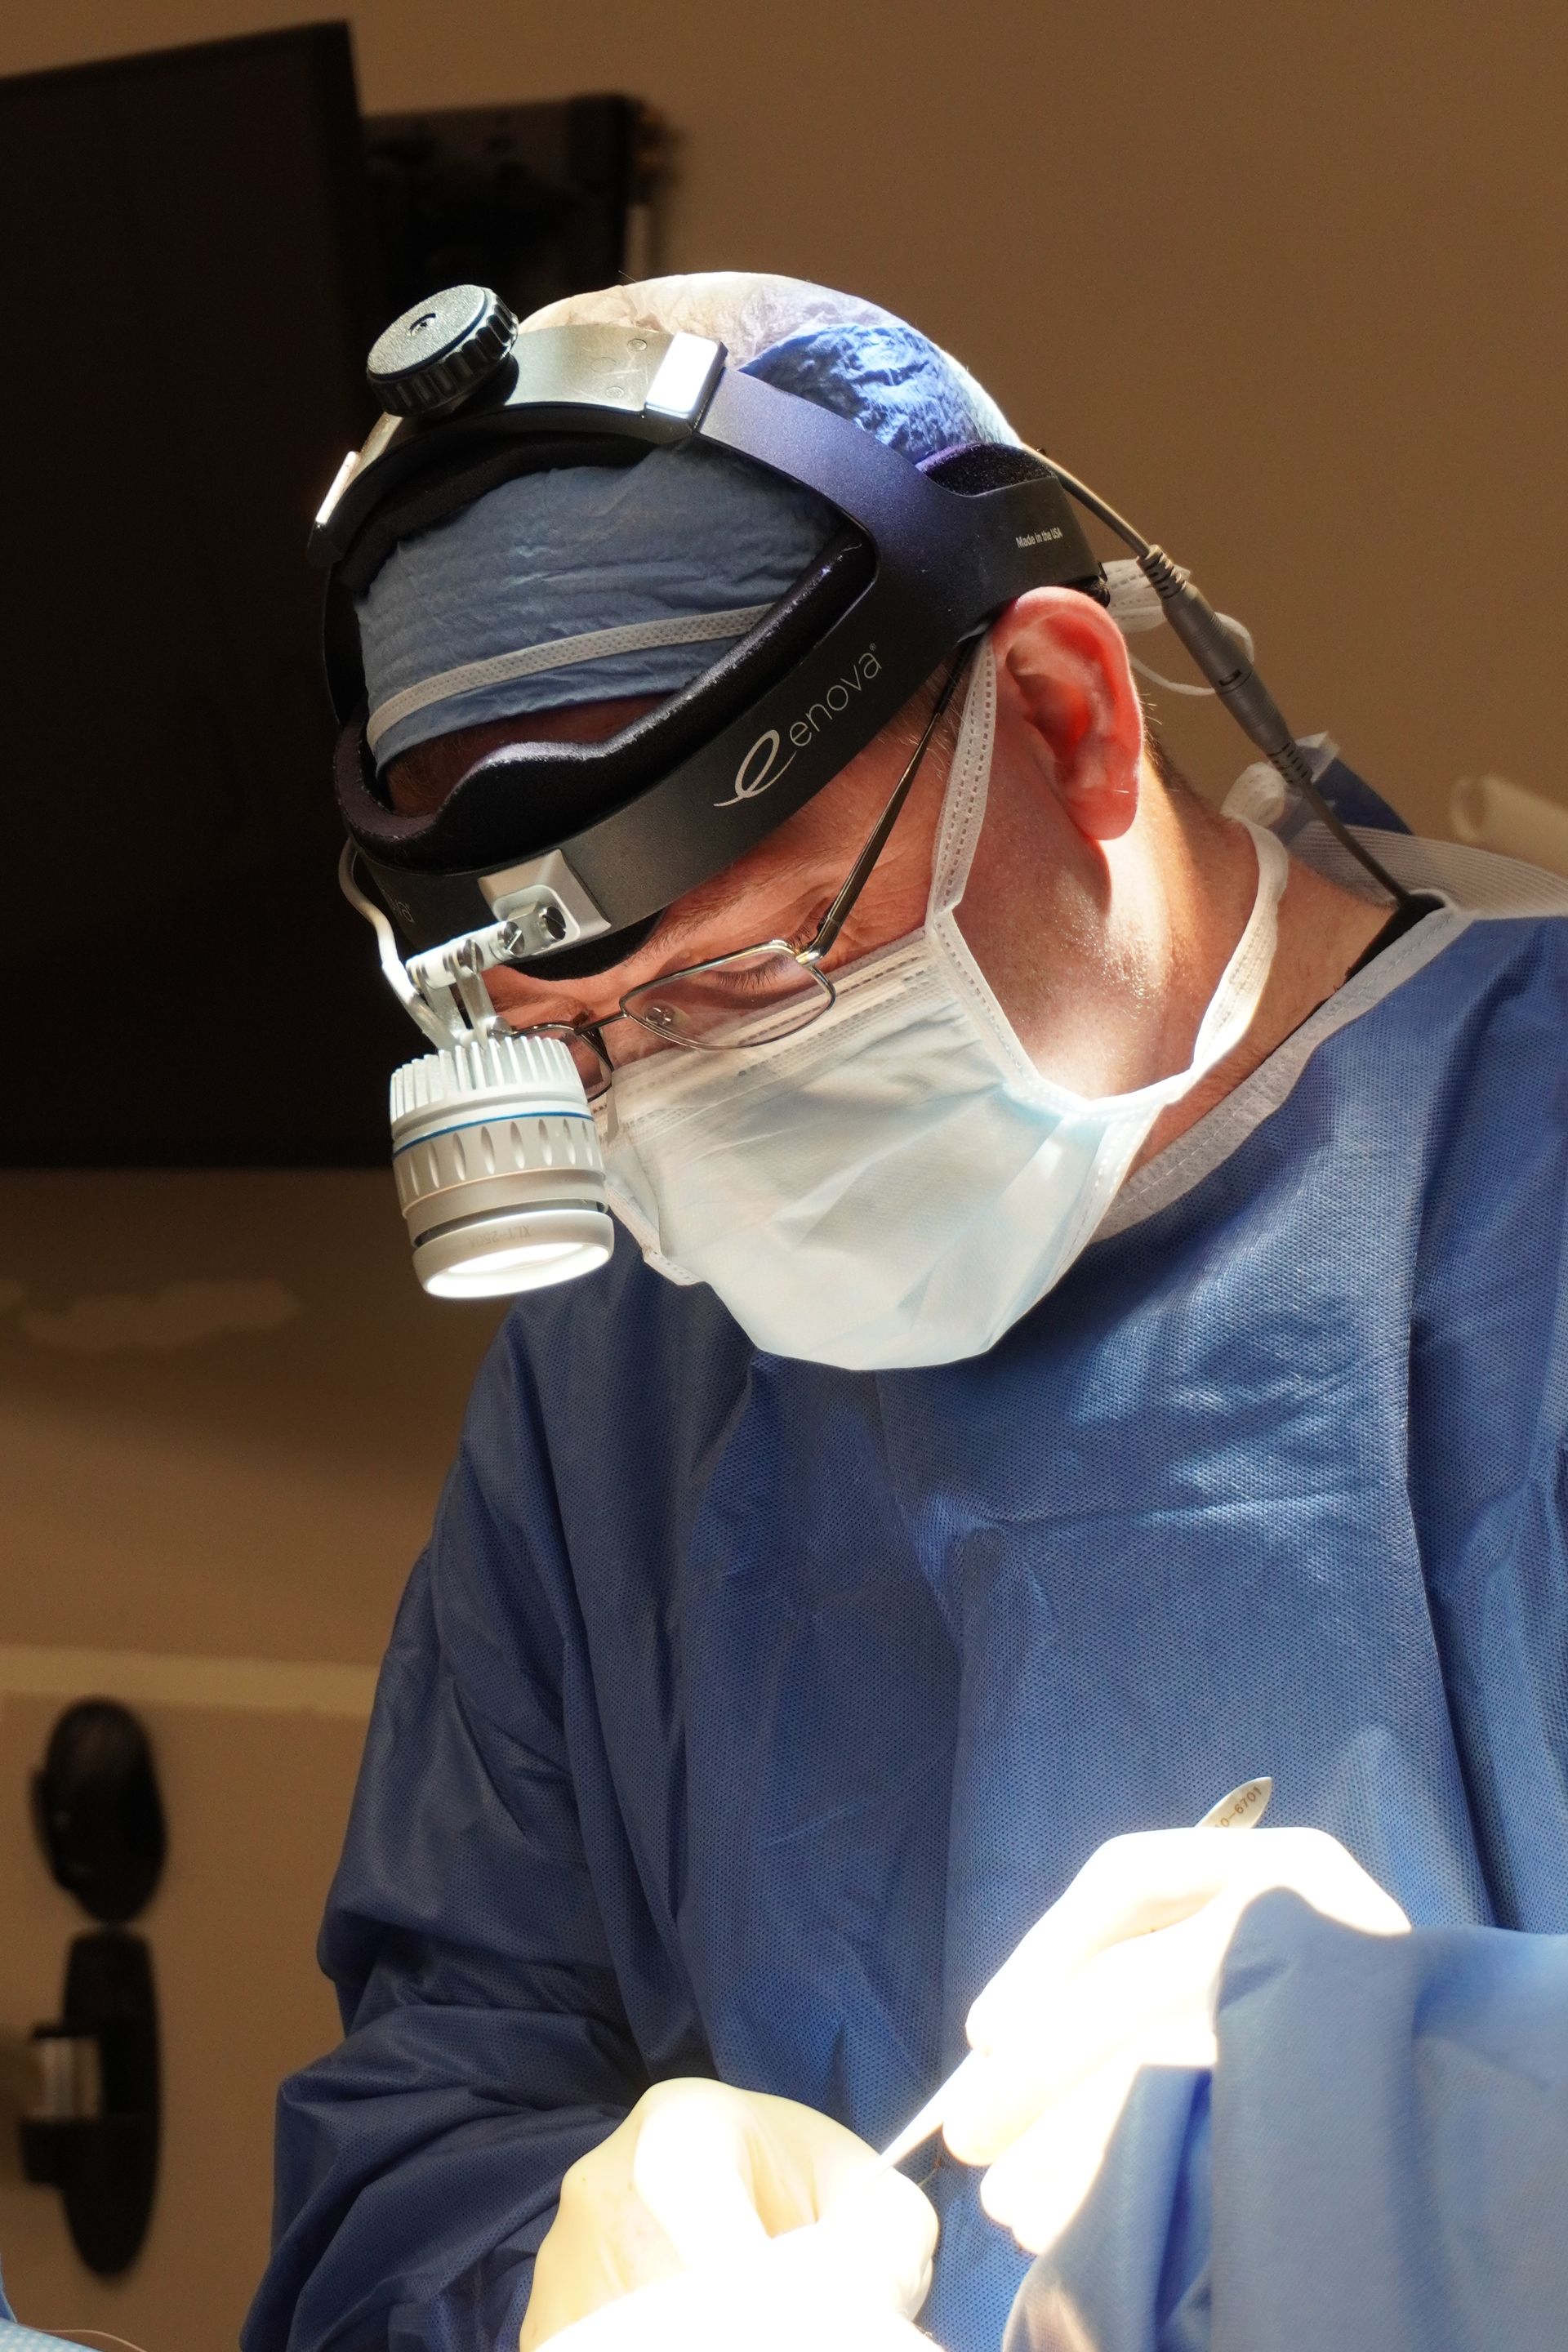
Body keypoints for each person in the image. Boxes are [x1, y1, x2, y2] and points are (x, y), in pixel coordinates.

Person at [244, 274, 1568, 2352]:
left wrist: (1457, 2132)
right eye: (580, 1047)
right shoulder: (622, 1377)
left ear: (1068, 720)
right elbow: (429, 2122)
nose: (667, 1140)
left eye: (747, 982)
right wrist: (540, 2289)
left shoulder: (1534, 1197)